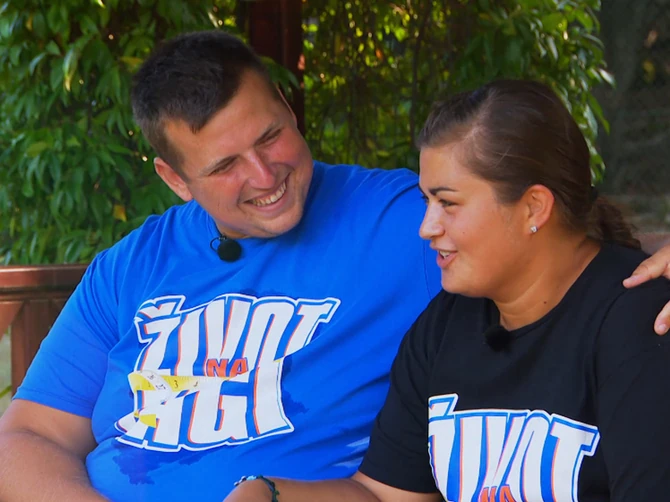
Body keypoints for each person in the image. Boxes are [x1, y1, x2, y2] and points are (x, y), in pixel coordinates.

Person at [0, 32, 668, 502]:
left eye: (270, 136)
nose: (265, 175)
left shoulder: (405, 223)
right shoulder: (127, 268)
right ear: (175, 179)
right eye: (226, 165)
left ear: (288, 107)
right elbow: (27, 434)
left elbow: (546, 234)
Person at [225, 80, 670, 501]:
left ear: (534, 207)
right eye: (427, 201)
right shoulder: (445, 324)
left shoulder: (642, 321)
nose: (427, 227)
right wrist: (267, 493)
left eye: (448, 203)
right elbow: (388, 494)